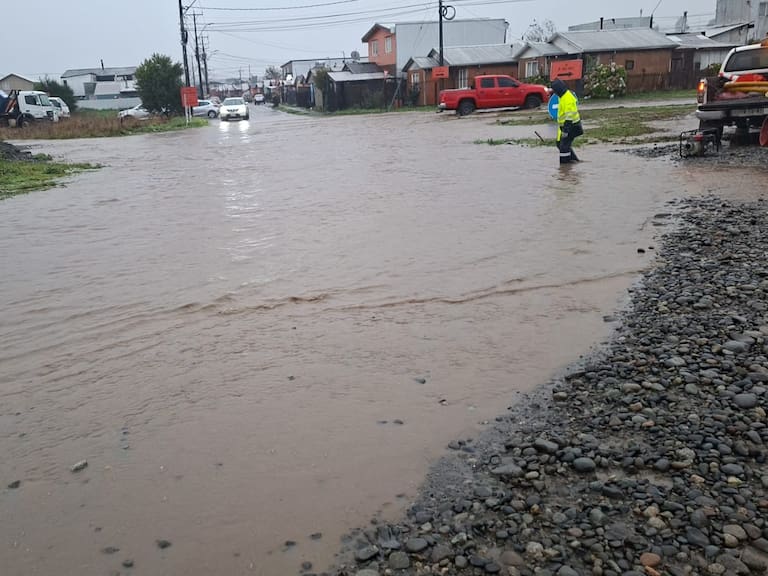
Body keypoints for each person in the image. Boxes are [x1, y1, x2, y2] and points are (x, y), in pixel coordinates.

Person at [551, 79, 583, 164]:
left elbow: (569, 116)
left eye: (555, 91)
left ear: (558, 90)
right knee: (560, 143)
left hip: (572, 126)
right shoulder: (562, 96)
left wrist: (566, 130)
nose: (554, 93)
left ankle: (565, 166)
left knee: (564, 147)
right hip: (565, 126)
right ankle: (573, 161)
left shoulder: (568, 98)